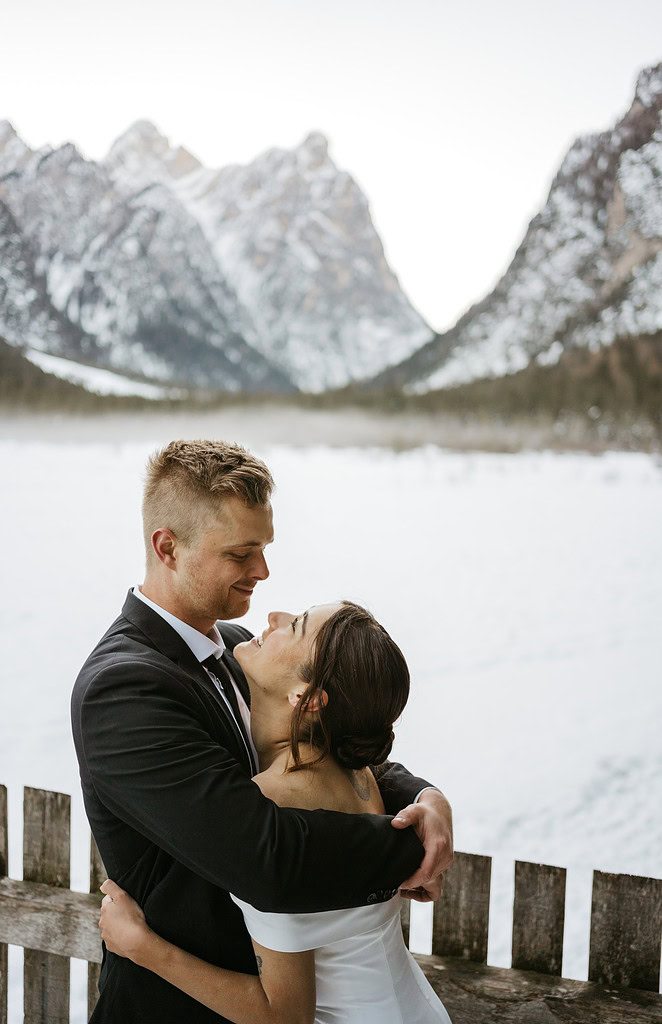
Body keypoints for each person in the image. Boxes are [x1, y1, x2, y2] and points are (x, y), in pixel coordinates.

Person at [71, 439, 453, 1023]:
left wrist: (424, 798)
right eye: (242, 553)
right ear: (168, 547)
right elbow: (264, 859)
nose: (263, 572)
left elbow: (321, 747)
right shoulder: (122, 689)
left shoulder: (230, 648)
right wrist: (406, 847)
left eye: (264, 548)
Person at [98, 600, 452, 1023]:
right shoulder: (356, 772)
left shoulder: (273, 801)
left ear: (305, 696)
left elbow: (283, 1017)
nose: (274, 617)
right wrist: (431, 798)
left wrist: (143, 947)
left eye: (296, 626)